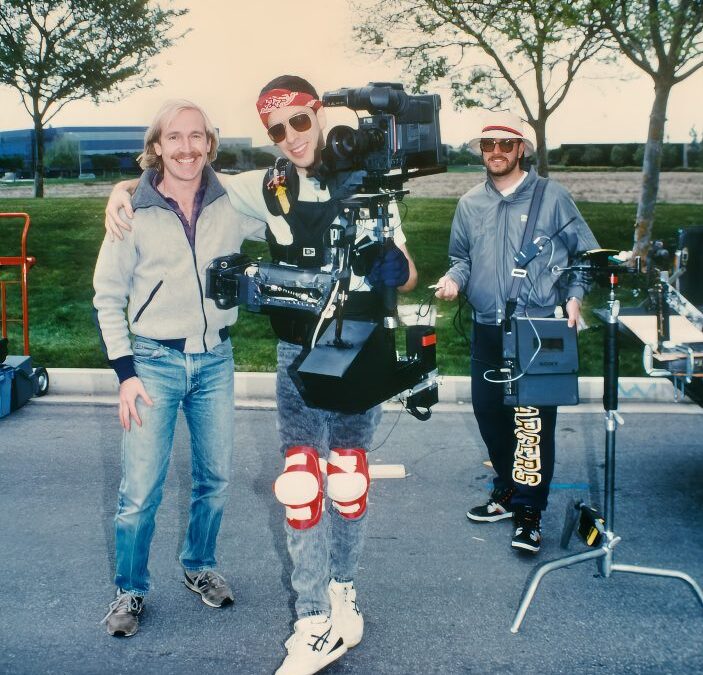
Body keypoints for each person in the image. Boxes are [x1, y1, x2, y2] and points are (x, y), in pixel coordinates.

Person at [105, 75, 418, 674]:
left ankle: (342, 591)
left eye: (299, 121)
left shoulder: (371, 180)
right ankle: (311, 621)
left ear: (318, 113)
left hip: (364, 349)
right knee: (301, 484)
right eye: (276, 129)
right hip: (297, 354)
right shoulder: (265, 186)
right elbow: (177, 177)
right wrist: (121, 189)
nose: (291, 137)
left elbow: (406, 275)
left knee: (348, 481)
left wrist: (389, 264)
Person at [94, 99, 262, 637]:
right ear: (158, 146)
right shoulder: (132, 210)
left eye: (198, 137)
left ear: (210, 143)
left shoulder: (233, 200)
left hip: (216, 358)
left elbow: (289, 210)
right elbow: (106, 296)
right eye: (175, 138)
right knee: (140, 490)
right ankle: (130, 589)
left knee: (215, 480)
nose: (187, 148)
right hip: (153, 362)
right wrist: (126, 373)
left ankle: (198, 566)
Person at [434, 111, 598, 554]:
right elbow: (462, 258)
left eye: (506, 145)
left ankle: (529, 513)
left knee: (531, 425)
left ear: (521, 149)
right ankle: (507, 490)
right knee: (489, 413)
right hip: (488, 328)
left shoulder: (553, 197)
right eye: (489, 145)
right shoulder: (470, 203)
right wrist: (453, 280)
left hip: (537, 329)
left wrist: (575, 296)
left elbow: (584, 255)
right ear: (481, 151)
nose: (497, 152)